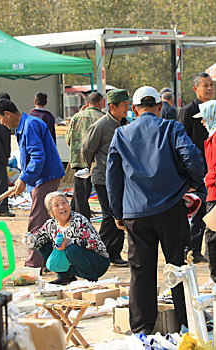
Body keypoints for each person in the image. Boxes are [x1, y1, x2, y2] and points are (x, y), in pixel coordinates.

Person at [106, 86, 204, 334]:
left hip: (135, 213)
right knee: (178, 266)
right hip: (171, 208)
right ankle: (186, 323)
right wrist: (193, 183)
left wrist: (118, 212)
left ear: (135, 109)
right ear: (160, 106)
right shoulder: (172, 128)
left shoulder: (121, 134)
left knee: (140, 271)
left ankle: (141, 328)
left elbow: (113, 177)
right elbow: (192, 158)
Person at [0, 99, 65, 269]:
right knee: (44, 220)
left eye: (0, 119)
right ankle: (48, 261)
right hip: (42, 177)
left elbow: (38, 157)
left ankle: (35, 263)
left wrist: (24, 178)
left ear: (8, 114)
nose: (1, 123)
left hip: (46, 176)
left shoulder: (30, 125)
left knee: (37, 220)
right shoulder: (27, 124)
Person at [81, 89, 131, 267]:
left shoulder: (126, 124)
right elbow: (87, 150)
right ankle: (97, 251)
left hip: (122, 178)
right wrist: (93, 166)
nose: (127, 108)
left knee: (120, 214)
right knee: (110, 216)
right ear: (112, 107)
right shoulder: (101, 126)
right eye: (124, 105)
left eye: (128, 104)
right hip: (103, 178)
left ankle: (112, 253)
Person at [25, 191, 110, 284]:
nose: (61, 207)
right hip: (72, 263)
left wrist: (69, 242)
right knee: (43, 245)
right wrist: (30, 240)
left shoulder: (78, 220)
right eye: (56, 205)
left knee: (72, 249)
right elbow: (38, 239)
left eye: (64, 203)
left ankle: (91, 280)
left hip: (97, 263)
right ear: (51, 212)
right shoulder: (51, 224)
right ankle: (65, 276)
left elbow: (93, 243)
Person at [192, 100, 216, 291]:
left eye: (204, 118)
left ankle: (215, 278)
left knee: (212, 236)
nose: (202, 122)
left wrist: (211, 181)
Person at [177, 72, 214, 263]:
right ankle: (189, 250)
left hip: (212, 168)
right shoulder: (187, 111)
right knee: (193, 211)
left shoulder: (215, 109)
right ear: (195, 89)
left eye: (211, 85)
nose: (209, 89)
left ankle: (202, 250)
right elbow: (180, 144)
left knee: (208, 211)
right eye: (205, 85)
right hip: (193, 172)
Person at [65, 92, 105, 220]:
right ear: (100, 103)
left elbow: (68, 138)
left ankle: (77, 216)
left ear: (87, 103)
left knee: (80, 192)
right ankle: (82, 219)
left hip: (79, 160)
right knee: (98, 192)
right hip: (97, 162)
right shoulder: (103, 118)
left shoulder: (77, 117)